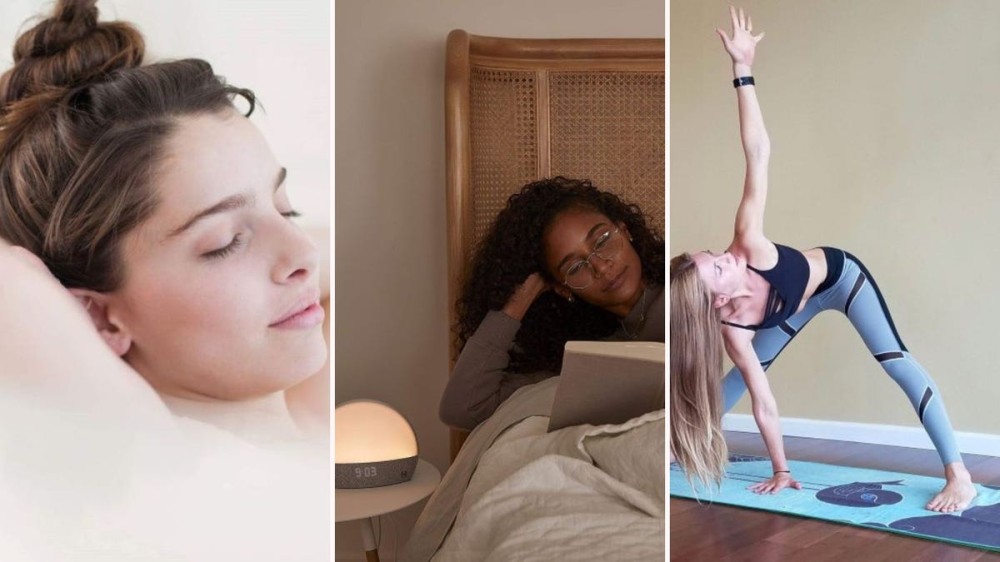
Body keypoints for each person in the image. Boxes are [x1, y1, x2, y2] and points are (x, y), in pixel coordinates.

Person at [669, 7, 976, 513]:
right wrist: (782, 471)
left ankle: (958, 474)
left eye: (713, 255)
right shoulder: (733, 328)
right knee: (738, 380)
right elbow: (764, 403)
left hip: (839, 280)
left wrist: (742, 70)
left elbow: (758, 152)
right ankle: (679, 448)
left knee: (896, 361)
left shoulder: (748, 243)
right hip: (793, 308)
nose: (725, 256)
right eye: (717, 267)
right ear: (719, 300)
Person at [0, 0, 328, 442]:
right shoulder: (159, 472)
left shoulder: (314, 414)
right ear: (101, 318)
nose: (304, 253)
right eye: (226, 242)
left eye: (286, 208)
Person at [439, 176, 665, 431]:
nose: (601, 267)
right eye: (575, 267)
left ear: (624, 230)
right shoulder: (585, 360)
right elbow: (464, 409)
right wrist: (515, 304)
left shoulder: (687, 293)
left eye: (602, 241)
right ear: (561, 288)